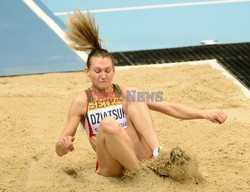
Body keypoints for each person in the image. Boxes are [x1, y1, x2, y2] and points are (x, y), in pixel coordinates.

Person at [55, 10, 227, 177]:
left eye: (107, 70)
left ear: (114, 70)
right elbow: (59, 150)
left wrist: (204, 114)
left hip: (138, 154)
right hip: (111, 166)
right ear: (87, 72)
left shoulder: (125, 92)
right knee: (109, 124)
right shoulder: (81, 101)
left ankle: (158, 154)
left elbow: (168, 106)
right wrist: (64, 145)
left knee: (135, 95)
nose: (103, 76)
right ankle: (140, 174)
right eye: (97, 71)